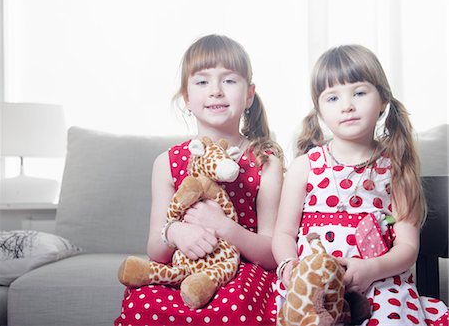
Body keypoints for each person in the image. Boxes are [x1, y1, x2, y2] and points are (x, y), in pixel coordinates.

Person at [272, 45, 448, 325]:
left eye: (359, 92)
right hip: (312, 285)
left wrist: (371, 268)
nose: (347, 106)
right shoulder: (305, 166)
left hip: (379, 283)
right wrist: (288, 267)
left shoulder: (395, 168)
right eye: (332, 97)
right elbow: (283, 232)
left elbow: (407, 246)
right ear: (318, 109)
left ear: (382, 99)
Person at [115, 34, 284, 326]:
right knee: (141, 302)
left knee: (235, 307)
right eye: (202, 81)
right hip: (183, 269)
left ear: (248, 95)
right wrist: (176, 233)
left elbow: (272, 253)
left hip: (240, 272)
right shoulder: (166, 163)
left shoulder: (265, 162)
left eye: (229, 80)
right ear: (186, 97)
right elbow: (155, 249)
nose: (216, 91)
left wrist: (224, 227)